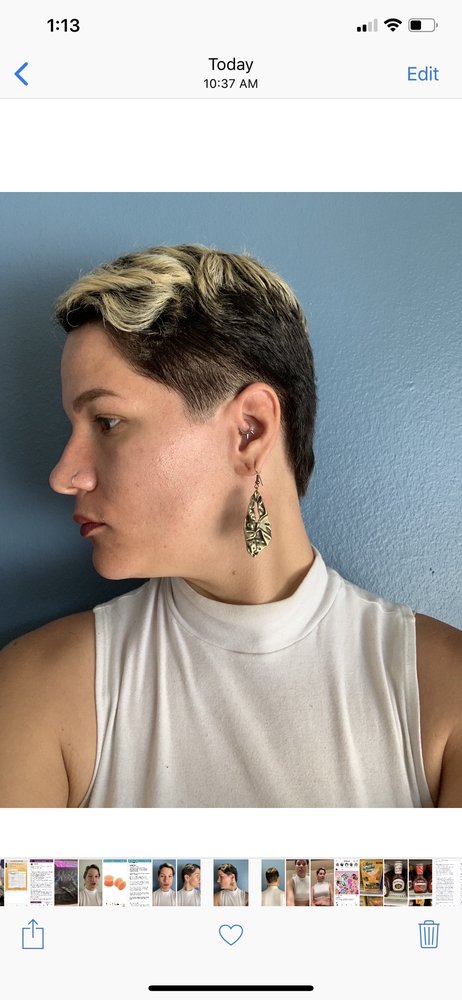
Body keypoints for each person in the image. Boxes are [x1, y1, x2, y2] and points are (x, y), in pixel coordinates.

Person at [0, 244, 460, 808]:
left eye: (108, 422)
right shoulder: (40, 693)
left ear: (250, 431)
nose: (64, 475)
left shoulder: (444, 698)